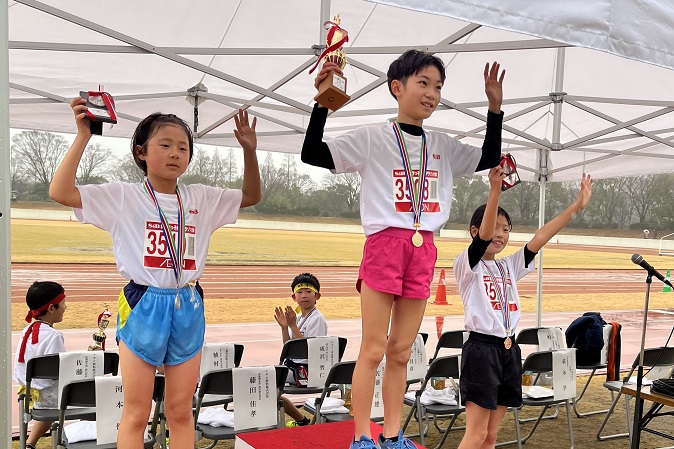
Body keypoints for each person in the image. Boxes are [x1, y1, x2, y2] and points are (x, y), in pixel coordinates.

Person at [301, 49, 506, 448]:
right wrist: (322, 101)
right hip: (385, 244)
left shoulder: (443, 145)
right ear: (397, 87)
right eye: (423, 83)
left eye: (439, 87)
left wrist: (494, 109)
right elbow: (313, 153)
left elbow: (489, 156)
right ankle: (362, 436)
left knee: (401, 350)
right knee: (374, 349)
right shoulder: (374, 137)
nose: (432, 93)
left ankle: (392, 434)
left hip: (423, 246)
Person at [49, 99, 260, 449]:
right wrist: (83, 137)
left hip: (187, 303)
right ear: (141, 152)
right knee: (136, 410)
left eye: (183, 147)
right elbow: (60, 192)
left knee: (180, 410)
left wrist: (249, 152)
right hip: (143, 302)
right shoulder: (123, 196)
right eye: (164, 145)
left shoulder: (201, 198)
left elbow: (251, 195)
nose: (176, 153)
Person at [454, 169, 592, 449]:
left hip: (508, 350)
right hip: (481, 351)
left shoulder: (509, 265)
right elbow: (481, 241)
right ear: (475, 230)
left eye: (507, 230)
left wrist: (576, 206)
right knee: (476, 434)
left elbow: (541, 237)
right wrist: (495, 192)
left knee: (491, 437)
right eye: (496, 227)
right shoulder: (468, 264)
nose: (501, 234)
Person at [14, 281, 68, 449]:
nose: (65, 307)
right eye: (63, 303)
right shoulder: (54, 336)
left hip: (27, 390)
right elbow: (61, 370)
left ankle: (30, 444)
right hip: (50, 398)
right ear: (52, 308)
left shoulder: (26, 331)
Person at [274, 272, 328, 427]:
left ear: (317, 296)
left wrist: (292, 326)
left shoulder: (317, 319)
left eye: (309, 292)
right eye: (300, 292)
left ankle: (299, 421)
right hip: (294, 367)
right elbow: (288, 349)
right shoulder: (298, 317)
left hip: (307, 371)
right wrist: (285, 328)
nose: (304, 295)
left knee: (268, 381)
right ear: (294, 297)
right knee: (268, 384)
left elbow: (308, 350)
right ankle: (302, 421)